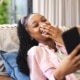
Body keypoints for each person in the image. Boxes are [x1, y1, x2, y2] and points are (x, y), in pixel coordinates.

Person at [17, 13, 80, 80]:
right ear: (30, 36)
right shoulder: (35, 52)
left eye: (44, 20)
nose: (43, 24)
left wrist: (61, 38)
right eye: (36, 25)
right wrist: (60, 73)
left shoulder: (64, 42)